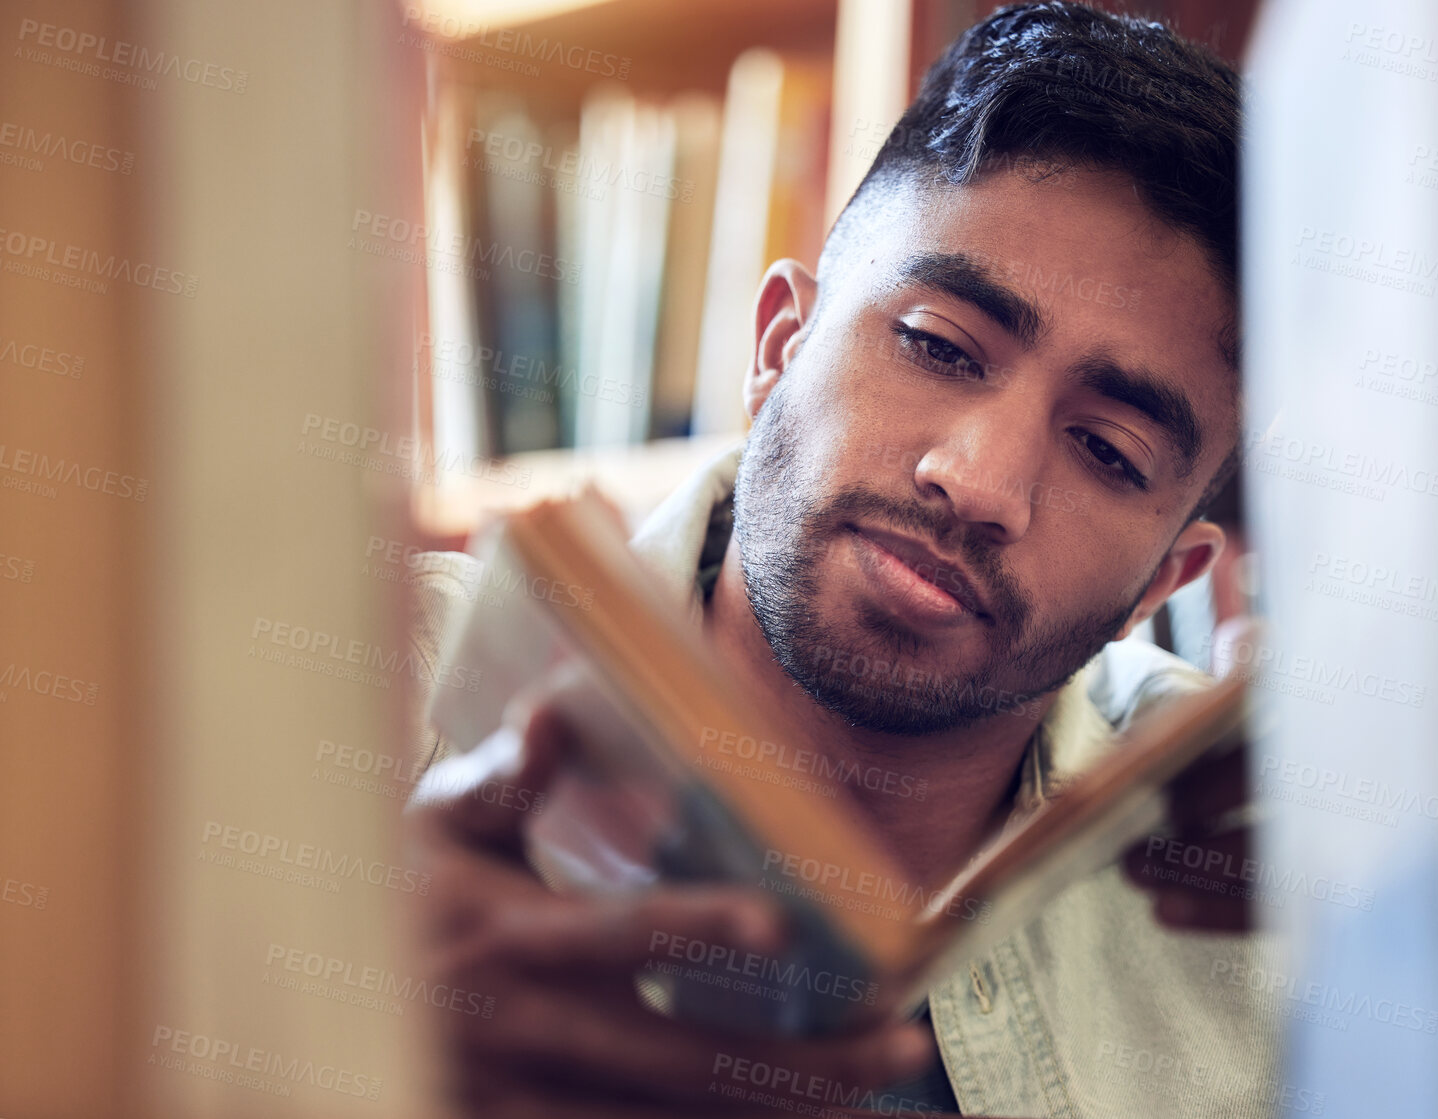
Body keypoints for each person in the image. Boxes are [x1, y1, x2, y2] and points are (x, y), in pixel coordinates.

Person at [403, 3, 1272, 1115]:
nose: (981, 481)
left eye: (1108, 448)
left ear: (1162, 584)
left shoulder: (1249, 871)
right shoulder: (363, 706)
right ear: (778, 346)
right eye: (936, 346)